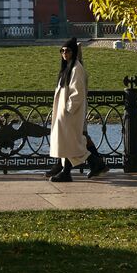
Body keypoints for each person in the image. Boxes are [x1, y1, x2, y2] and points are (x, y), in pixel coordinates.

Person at [48, 38, 108, 181]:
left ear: (73, 52)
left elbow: (77, 92)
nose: (64, 53)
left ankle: (69, 171)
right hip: (64, 113)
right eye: (62, 51)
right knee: (71, 143)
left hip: (70, 114)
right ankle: (93, 164)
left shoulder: (76, 68)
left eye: (67, 50)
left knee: (72, 143)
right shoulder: (67, 68)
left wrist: (68, 109)